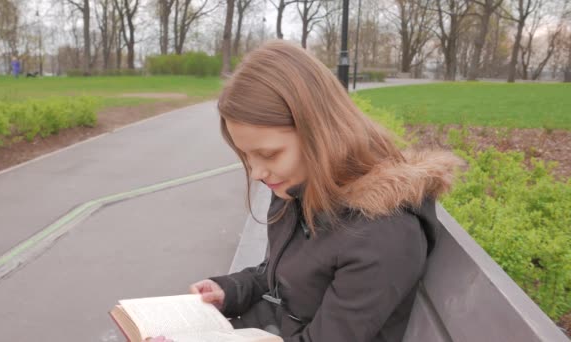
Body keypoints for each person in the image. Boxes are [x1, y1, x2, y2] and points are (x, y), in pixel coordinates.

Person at [155, 39, 464, 342]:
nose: (257, 173)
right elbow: (279, 276)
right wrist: (229, 290)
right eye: (247, 156)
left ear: (320, 132)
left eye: (270, 154)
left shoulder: (383, 235)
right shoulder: (298, 188)